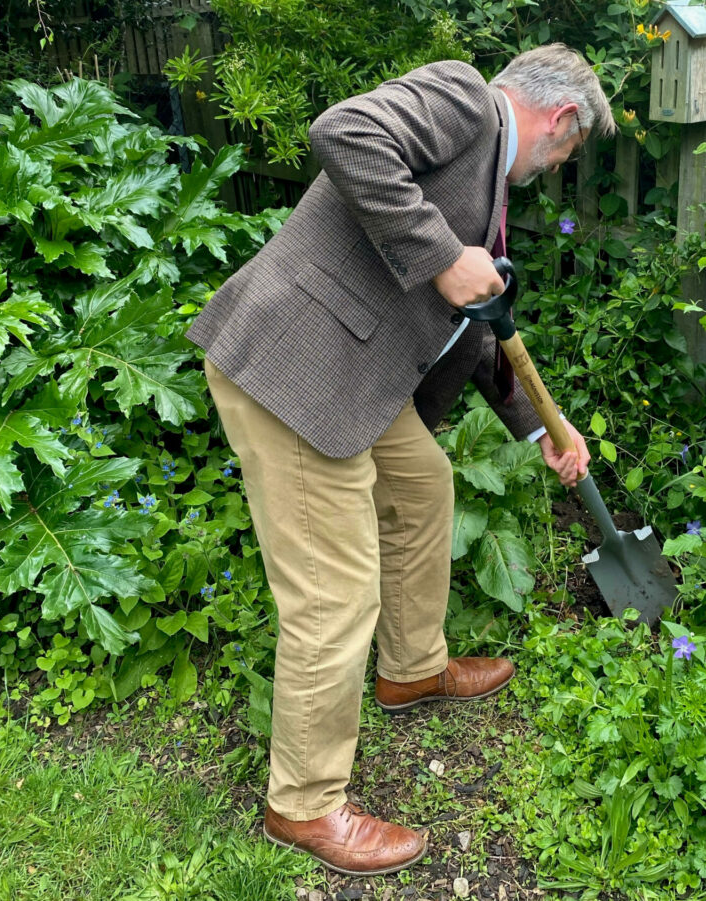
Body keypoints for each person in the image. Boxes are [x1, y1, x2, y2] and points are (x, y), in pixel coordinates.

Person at [187, 43, 616, 876]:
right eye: (568, 151)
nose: (556, 166)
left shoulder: (487, 188)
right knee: (333, 589)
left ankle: (413, 668)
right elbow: (342, 131)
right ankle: (303, 803)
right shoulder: (464, 100)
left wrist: (544, 432)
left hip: (354, 377)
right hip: (294, 366)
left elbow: (485, 329)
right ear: (561, 119)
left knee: (425, 485)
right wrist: (441, 253)